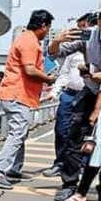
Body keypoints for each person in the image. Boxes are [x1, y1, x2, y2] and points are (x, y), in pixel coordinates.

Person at [51, 0, 101, 201]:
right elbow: (56, 52)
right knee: (75, 138)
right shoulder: (89, 34)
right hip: (92, 92)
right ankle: (70, 184)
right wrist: (56, 41)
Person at [0, 10, 57, 190]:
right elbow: (30, 70)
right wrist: (49, 79)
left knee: (20, 132)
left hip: (18, 94)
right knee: (18, 132)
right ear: (43, 26)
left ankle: (14, 170)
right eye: (48, 28)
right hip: (17, 94)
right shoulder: (29, 41)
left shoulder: (27, 39)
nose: (48, 31)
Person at [42, 14, 92, 178]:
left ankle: (82, 166)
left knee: (85, 134)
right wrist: (55, 92)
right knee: (62, 131)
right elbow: (63, 73)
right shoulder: (74, 48)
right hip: (69, 95)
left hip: (89, 95)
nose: (85, 30)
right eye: (82, 26)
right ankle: (60, 163)